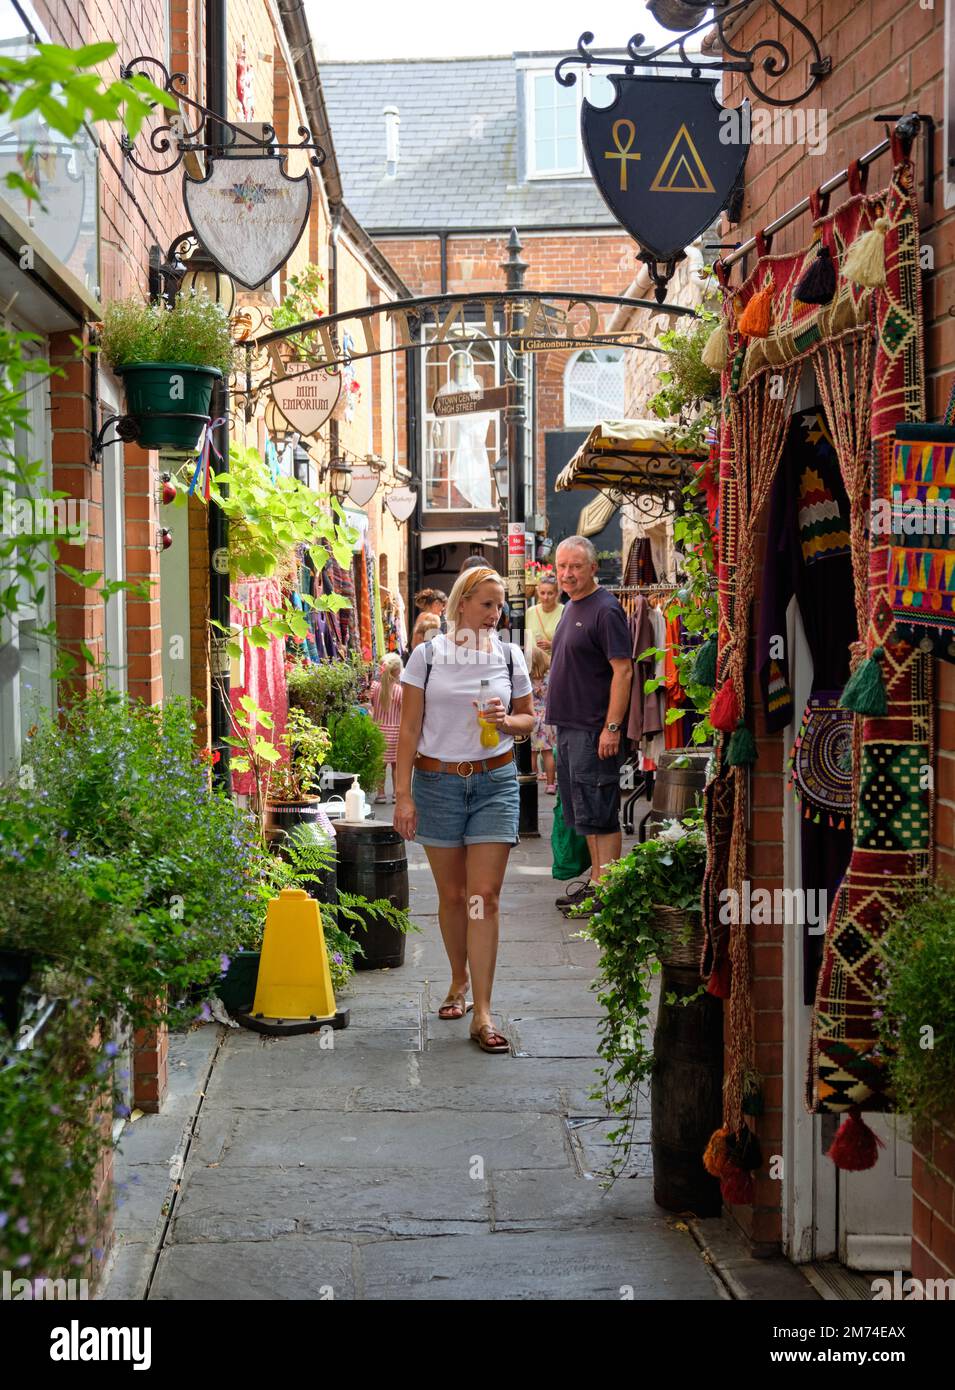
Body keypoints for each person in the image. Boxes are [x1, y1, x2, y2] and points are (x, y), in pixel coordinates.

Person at [394, 565, 534, 1053]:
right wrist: (404, 795)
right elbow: (408, 730)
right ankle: (458, 980)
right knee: (453, 896)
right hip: (437, 784)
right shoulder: (427, 656)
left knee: (485, 897)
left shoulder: (511, 655)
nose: (495, 614)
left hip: (495, 782)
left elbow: (530, 720)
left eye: (500, 606)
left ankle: (485, 1012)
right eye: (487, 604)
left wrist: (509, 720)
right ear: (461, 603)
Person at [545, 536, 633, 915]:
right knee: (584, 812)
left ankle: (609, 891)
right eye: (562, 566)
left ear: (593, 568)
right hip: (569, 728)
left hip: (593, 728)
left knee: (600, 809)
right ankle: (597, 884)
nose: (567, 573)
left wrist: (611, 728)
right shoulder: (571, 607)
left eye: (575, 566)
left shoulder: (606, 609)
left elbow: (623, 671)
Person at [369, 652, 403, 803]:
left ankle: (381, 794)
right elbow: (403, 711)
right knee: (396, 766)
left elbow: (372, 705)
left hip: (379, 731)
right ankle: (396, 794)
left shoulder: (375, 687)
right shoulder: (399, 690)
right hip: (395, 732)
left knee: (380, 766)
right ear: (398, 672)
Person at [528, 644, 556, 793]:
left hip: (531, 716)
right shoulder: (550, 676)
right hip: (546, 719)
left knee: (531, 752)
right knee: (548, 752)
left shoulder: (527, 678)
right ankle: (551, 785)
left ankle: (532, 782)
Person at [525, 571, 563, 658]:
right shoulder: (530, 612)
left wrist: (552, 645)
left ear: (557, 593)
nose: (545, 597)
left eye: (550, 593)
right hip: (534, 666)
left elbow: (572, 642)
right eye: (542, 593)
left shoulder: (565, 611)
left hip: (556, 664)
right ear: (537, 592)